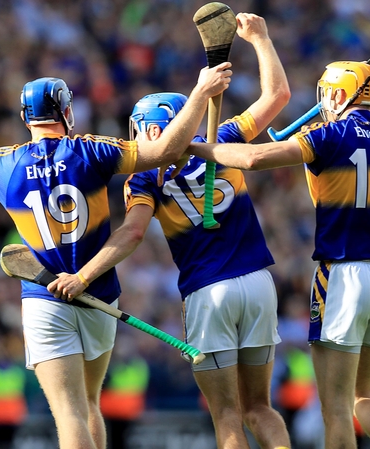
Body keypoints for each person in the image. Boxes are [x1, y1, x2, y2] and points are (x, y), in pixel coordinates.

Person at [0, 64, 231, 449]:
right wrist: (199, 93)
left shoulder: (2, 164)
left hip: (45, 296)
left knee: (70, 412)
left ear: (24, 119)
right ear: (67, 113)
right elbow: (166, 149)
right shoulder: (92, 150)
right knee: (89, 403)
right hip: (99, 295)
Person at [46, 13, 292, 449]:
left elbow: (132, 235)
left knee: (228, 415)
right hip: (257, 283)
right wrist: (261, 39)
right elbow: (277, 95)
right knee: (260, 407)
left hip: (207, 293)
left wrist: (83, 276)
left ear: (153, 129)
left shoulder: (142, 180)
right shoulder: (225, 136)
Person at [187, 60, 370, 449]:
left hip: (346, 277)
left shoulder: (328, 136)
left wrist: (201, 147)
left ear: (336, 95)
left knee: (335, 410)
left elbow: (254, 159)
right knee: (364, 395)